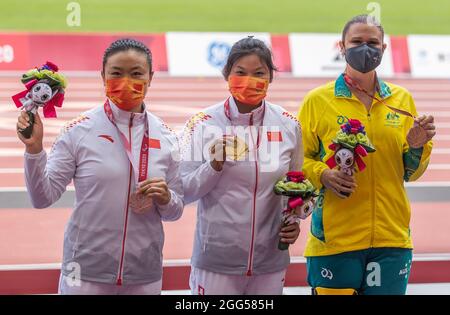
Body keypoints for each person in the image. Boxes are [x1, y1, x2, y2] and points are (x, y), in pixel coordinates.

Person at [17, 38, 184, 295]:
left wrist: (166, 198)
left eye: (136, 73)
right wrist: (34, 150)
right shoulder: (79, 130)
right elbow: (42, 197)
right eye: (116, 73)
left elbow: (175, 211)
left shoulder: (167, 136)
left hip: (143, 274)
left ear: (151, 77)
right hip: (83, 273)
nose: (126, 81)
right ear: (102, 76)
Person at [298, 15, 436, 295]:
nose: (365, 48)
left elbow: (410, 172)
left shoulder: (401, 100)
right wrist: (322, 174)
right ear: (342, 46)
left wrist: (418, 146)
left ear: (384, 49)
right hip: (335, 241)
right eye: (357, 42)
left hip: (391, 240)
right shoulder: (318, 101)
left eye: (373, 43)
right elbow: (296, 161)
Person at [180, 37, 306, 295]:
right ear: (227, 74)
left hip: (270, 263)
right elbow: (184, 191)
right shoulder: (202, 123)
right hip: (216, 263)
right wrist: (214, 165)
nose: (249, 80)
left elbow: (298, 188)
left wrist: (297, 217)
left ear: (270, 77)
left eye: (258, 73)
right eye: (240, 72)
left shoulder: (288, 124)